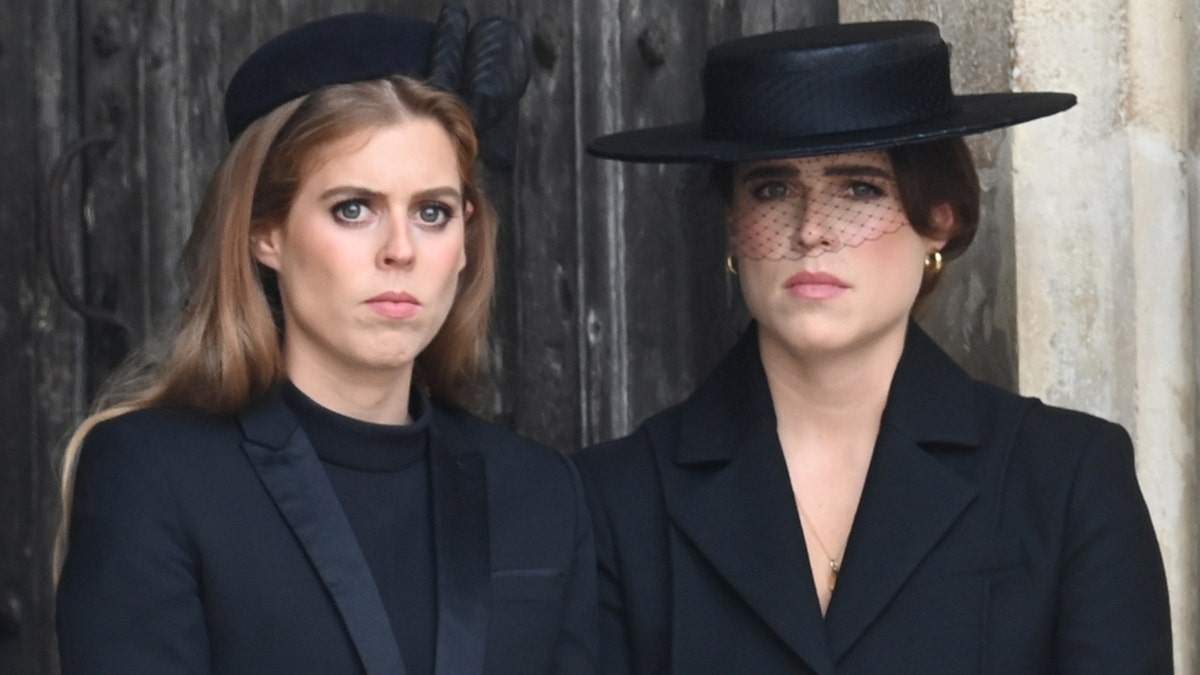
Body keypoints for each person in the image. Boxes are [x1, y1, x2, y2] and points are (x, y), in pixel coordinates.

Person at [575, 20, 1172, 674]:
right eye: (771, 189)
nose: (811, 230)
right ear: (733, 223)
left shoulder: (1067, 480)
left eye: (860, 187)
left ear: (938, 218)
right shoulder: (616, 498)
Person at [55, 9, 596, 674]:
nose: (401, 249)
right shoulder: (154, 475)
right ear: (267, 234)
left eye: (432, 212)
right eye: (353, 208)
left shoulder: (539, 490)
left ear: (466, 239)